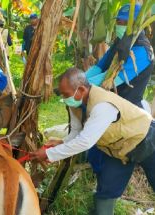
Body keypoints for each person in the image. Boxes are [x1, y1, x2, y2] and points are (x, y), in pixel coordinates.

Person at [30, 68, 155, 215]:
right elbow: (77, 132)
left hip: (146, 141)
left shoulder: (103, 105)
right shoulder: (74, 103)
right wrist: (62, 142)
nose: (64, 99)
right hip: (119, 151)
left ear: (81, 89)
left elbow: (85, 141)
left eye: (66, 94)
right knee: (106, 191)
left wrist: (49, 154)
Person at [85, 3, 154, 176]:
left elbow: (112, 80)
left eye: (125, 22)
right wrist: (81, 78)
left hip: (128, 112)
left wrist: (80, 86)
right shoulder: (120, 43)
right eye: (119, 21)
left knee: (119, 162)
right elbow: (100, 68)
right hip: (108, 105)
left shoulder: (142, 51)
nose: (120, 25)